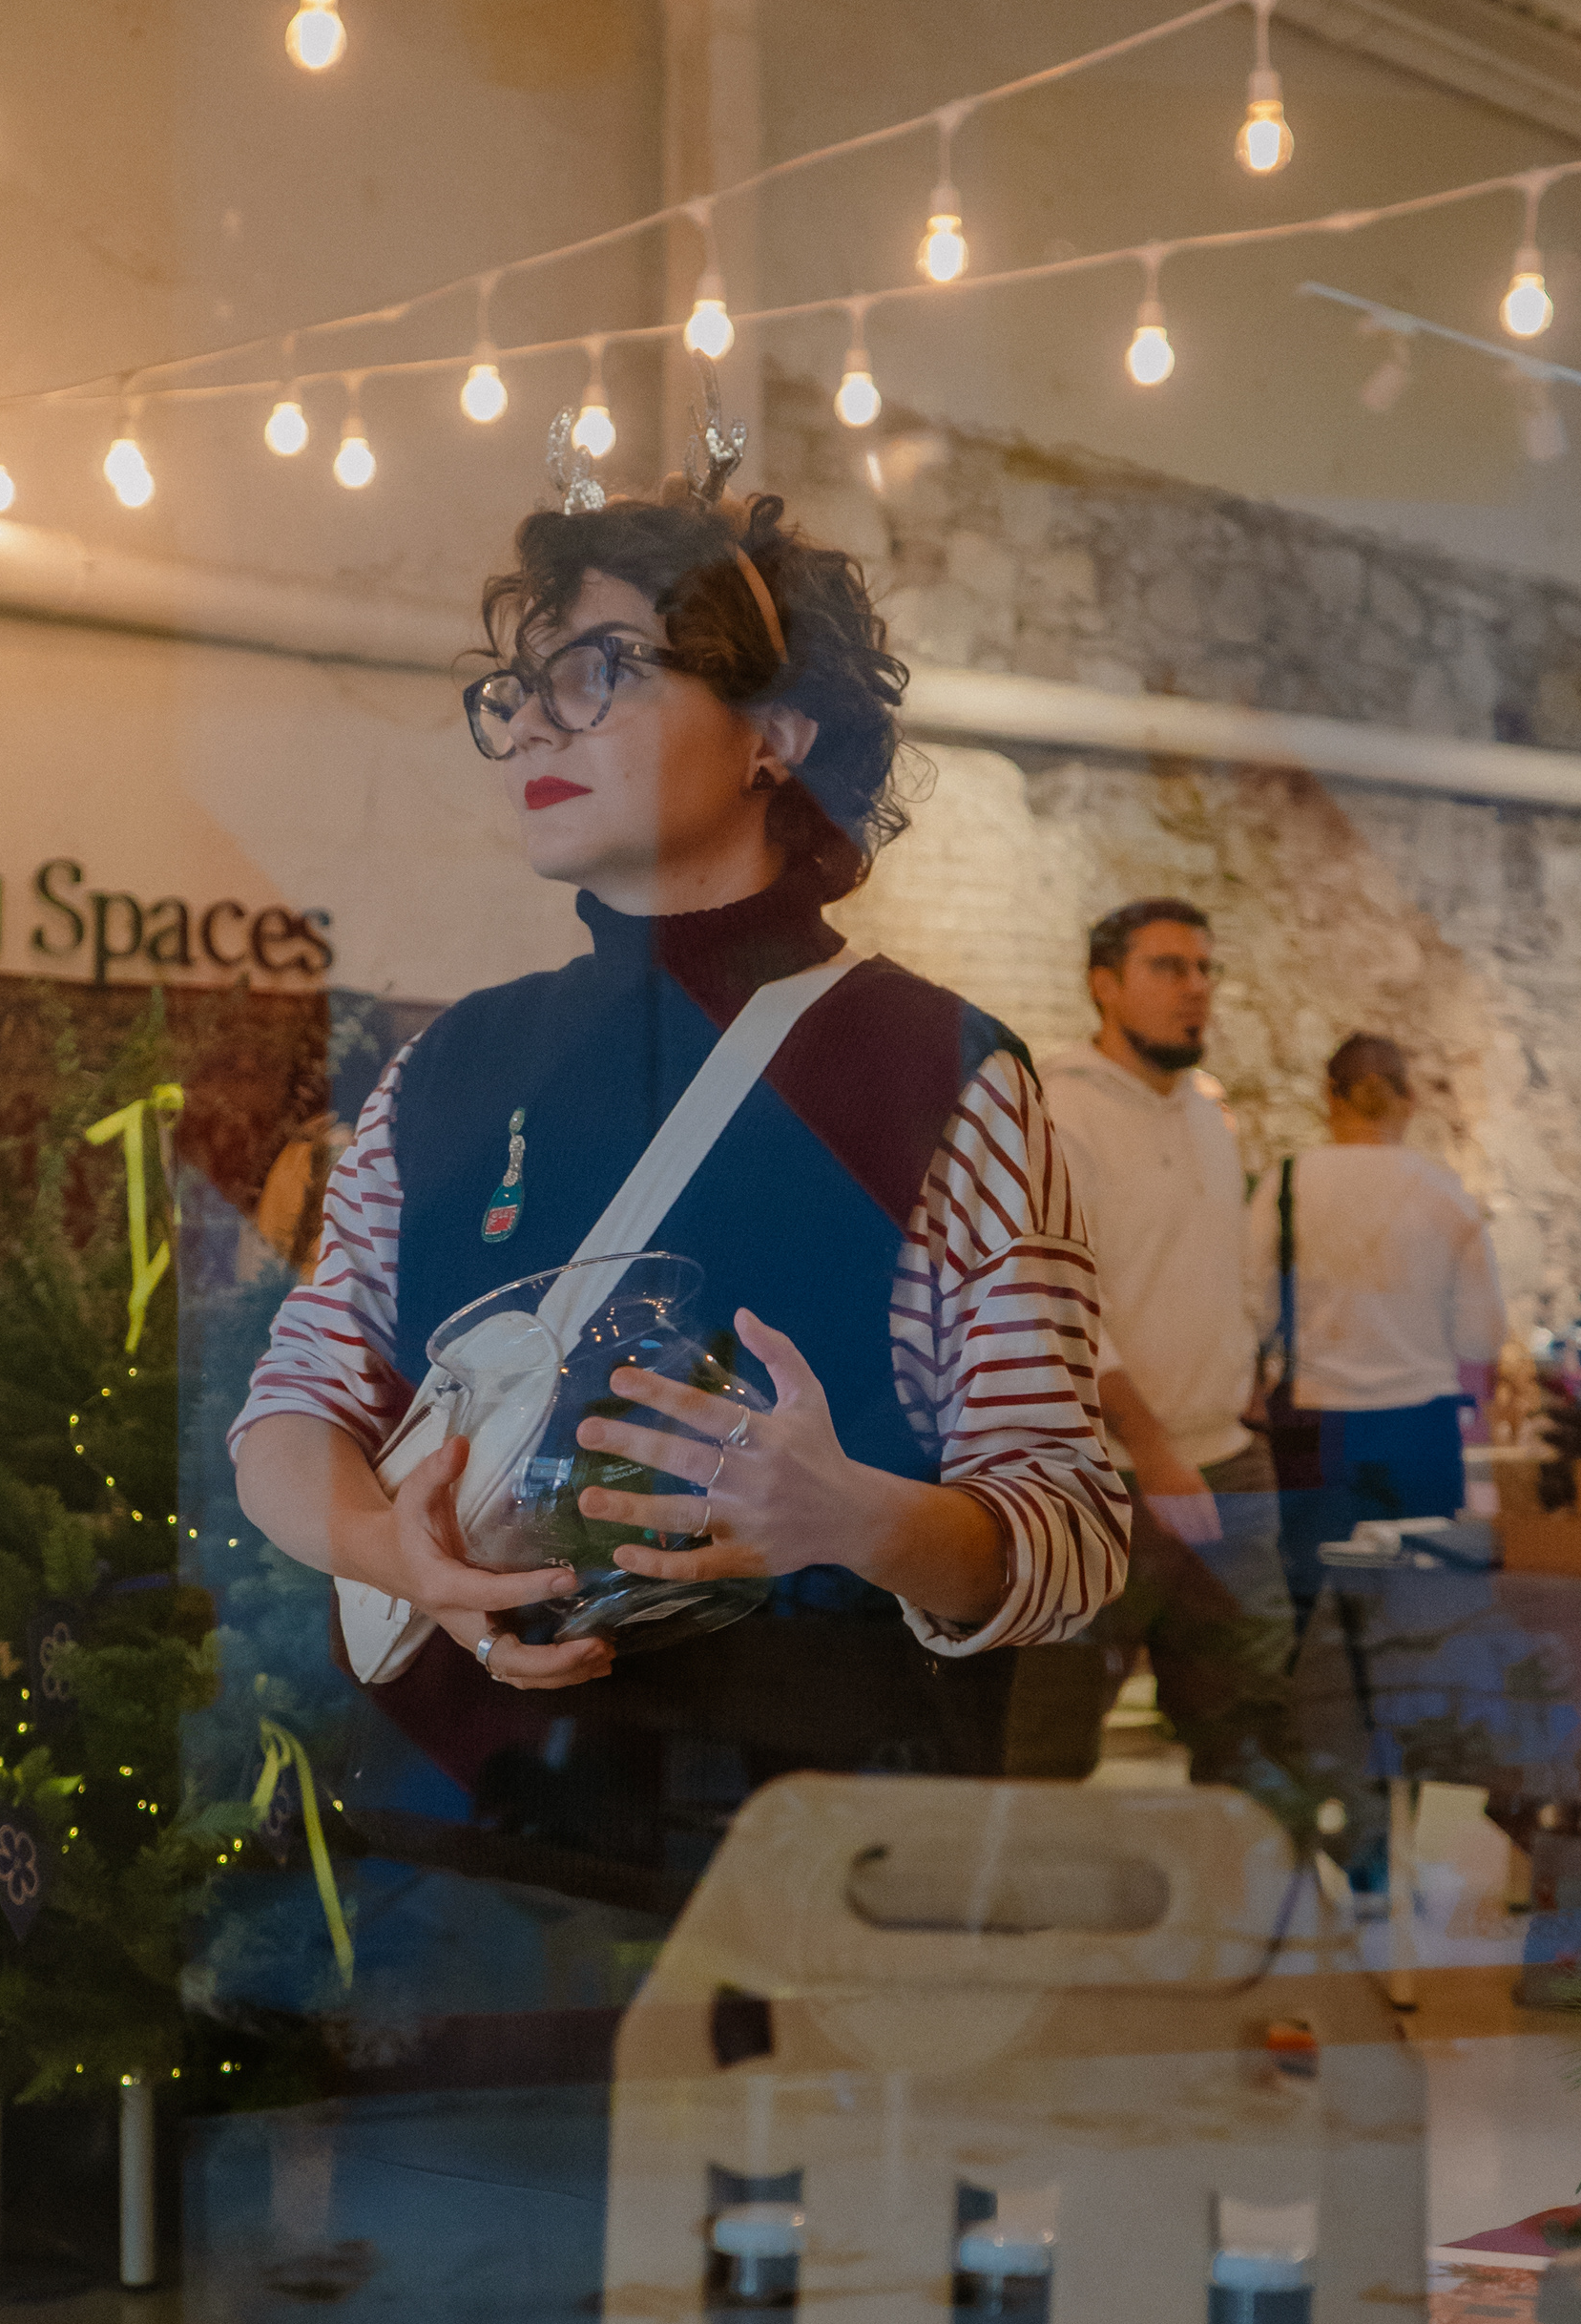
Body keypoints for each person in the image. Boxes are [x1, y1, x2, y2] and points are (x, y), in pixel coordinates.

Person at [229, 445, 1127, 1879]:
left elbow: (1070, 1531)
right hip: (444, 1859)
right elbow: (292, 1409)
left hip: (785, 1874)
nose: (535, 722)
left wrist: (855, 1519)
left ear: (777, 736)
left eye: (598, 670)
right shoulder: (454, 1063)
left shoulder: (939, 1075)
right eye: (520, 688)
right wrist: (404, 1558)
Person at [1029, 898, 1300, 1804]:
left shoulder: (1209, 1112)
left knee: (1251, 1725)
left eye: (1205, 968)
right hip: (1105, 1474)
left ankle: (1238, 1888)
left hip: (1227, 1459)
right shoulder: (1058, 1113)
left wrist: (1247, 1378)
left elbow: (1224, 1266)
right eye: (1169, 967)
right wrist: (1151, 1448)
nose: (1197, 989)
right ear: (1105, 985)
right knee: (1051, 1736)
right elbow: (1060, 1305)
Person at [1248, 1031, 1508, 1613]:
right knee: (1424, 1605)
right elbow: (1480, 1334)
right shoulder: (1446, 1194)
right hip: (1422, 1426)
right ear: (1408, 1100)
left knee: (1316, 1600)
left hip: (1317, 1424)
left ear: (1330, 1097)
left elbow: (1253, 1311)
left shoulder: (1286, 1184)